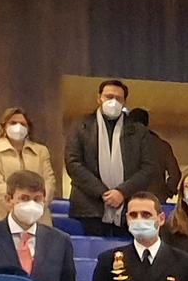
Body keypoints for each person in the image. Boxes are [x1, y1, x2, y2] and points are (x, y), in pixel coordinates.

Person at [62, 79, 160, 237]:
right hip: (89, 208)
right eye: (109, 97)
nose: (113, 101)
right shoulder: (80, 126)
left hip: (129, 208)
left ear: (124, 102)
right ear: (99, 98)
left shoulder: (138, 131)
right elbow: (73, 163)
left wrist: (121, 192)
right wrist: (103, 193)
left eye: (118, 98)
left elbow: (148, 167)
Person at [0, 108, 57, 223]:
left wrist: (38, 206)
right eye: (13, 123)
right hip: (3, 215)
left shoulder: (41, 151)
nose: (18, 127)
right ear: (4, 126)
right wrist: (17, 207)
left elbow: (49, 181)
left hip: (38, 215)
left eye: (23, 124)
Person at [124, 107, 180, 203]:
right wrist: (168, 191)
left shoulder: (123, 144)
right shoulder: (162, 145)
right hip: (156, 197)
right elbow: (175, 173)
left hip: (128, 198)